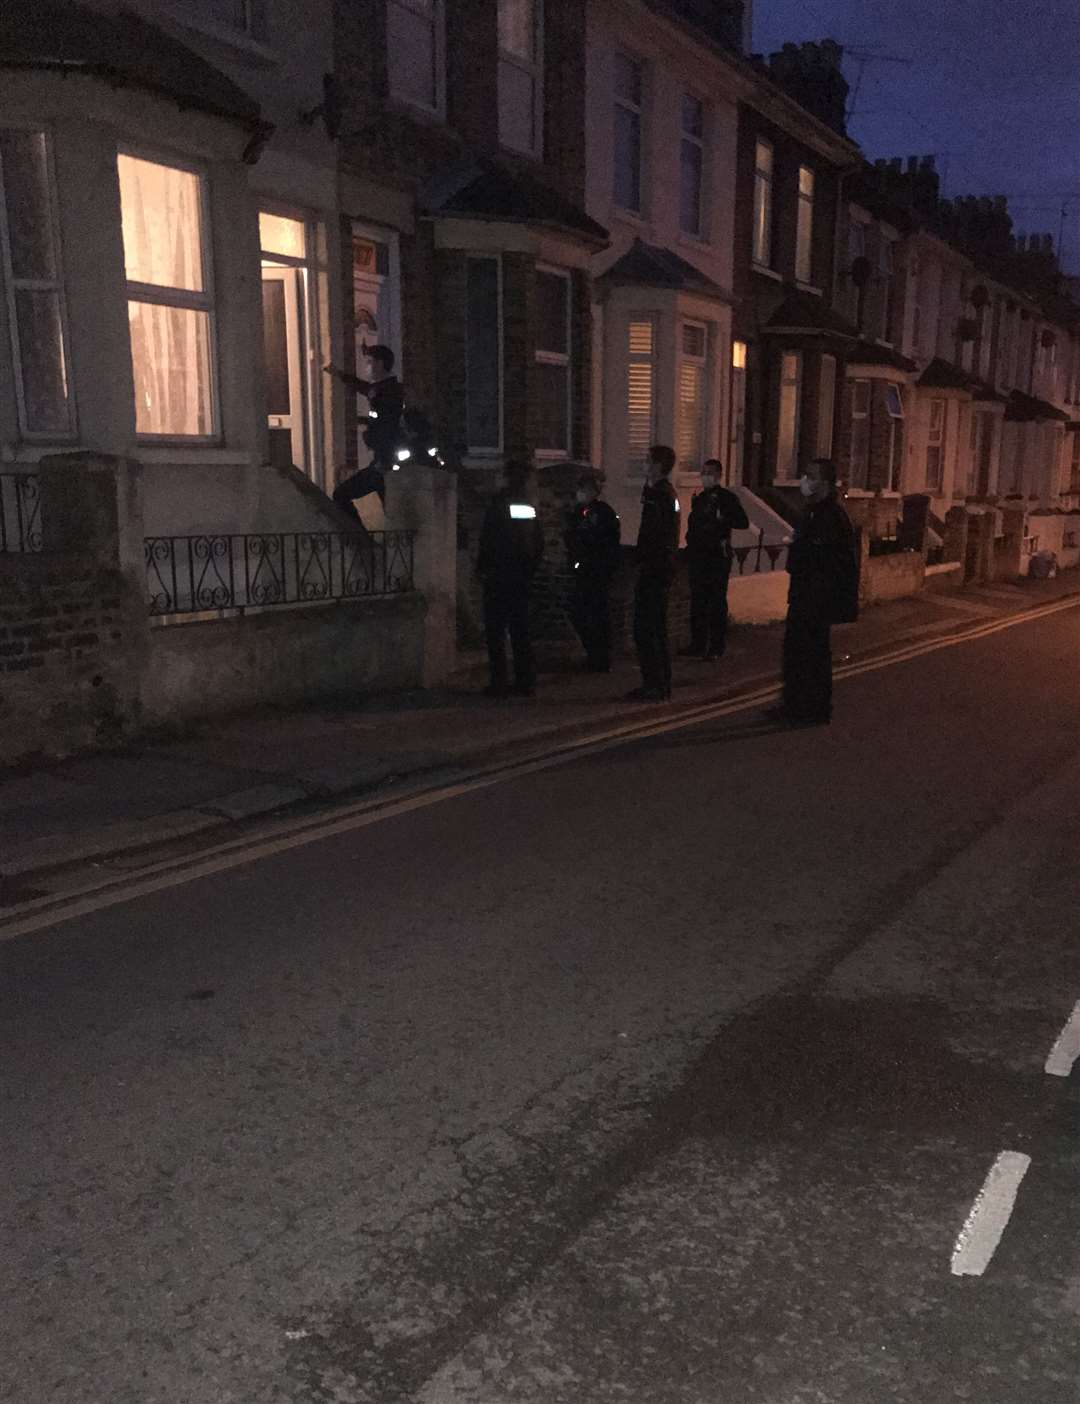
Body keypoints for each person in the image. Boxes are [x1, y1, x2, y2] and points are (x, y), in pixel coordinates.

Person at [771, 457, 859, 727]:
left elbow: (828, 558)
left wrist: (800, 547)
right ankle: (794, 704)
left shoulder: (831, 515)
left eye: (810, 475)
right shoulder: (813, 511)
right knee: (796, 651)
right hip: (804, 593)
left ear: (824, 482)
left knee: (813, 654)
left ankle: (814, 709)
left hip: (816, 597)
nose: (804, 480)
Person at [477, 461, 545, 698]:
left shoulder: (498, 505)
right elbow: (536, 542)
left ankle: (499, 682)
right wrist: (529, 570)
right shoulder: (527, 505)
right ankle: (526, 681)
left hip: (498, 577)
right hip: (520, 577)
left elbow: (490, 541)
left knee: (495, 631)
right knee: (520, 630)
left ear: (506, 479)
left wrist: (483, 569)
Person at [680, 458, 749, 661]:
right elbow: (694, 526)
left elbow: (742, 522)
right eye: (704, 471)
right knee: (698, 601)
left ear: (719, 475)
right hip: (699, 556)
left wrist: (723, 518)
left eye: (709, 472)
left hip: (717, 557)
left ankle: (716, 647)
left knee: (716, 602)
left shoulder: (726, 498)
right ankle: (698, 644)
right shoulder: (700, 498)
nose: (705, 476)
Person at [323, 344, 405, 516]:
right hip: (382, 462)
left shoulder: (390, 391)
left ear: (380, 363)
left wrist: (373, 438)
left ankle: (362, 542)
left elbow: (388, 425)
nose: (367, 366)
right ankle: (371, 541)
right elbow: (364, 389)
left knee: (341, 495)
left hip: (385, 463)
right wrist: (339, 374)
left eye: (370, 362)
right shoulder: (382, 388)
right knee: (393, 512)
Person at [629, 444, 680, 701]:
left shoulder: (659, 495)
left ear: (658, 466)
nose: (644, 465)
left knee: (646, 627)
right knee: (654, 627)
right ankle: (660, 683)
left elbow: (652, 534)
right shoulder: (665, 494)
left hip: (655, 569)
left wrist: (640, 559)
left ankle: (655, 684)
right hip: (661, 567)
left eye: (648, 461)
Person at [564, 468, 621, 673]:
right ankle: (594, 654)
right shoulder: (578, 512)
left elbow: (606, 542)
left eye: (584, 488)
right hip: (583, 571)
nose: (581, 492)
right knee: (580, 612)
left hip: (597, 571)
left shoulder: (603, 512)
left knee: (597, 615)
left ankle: (601, 658)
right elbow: (571, 537)